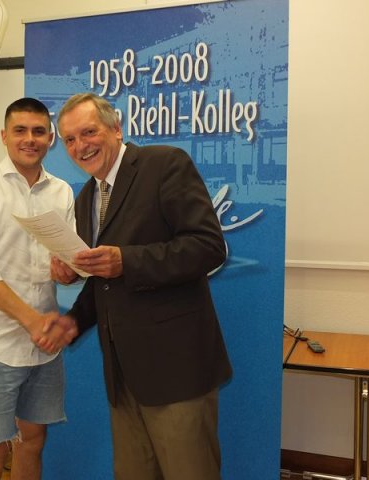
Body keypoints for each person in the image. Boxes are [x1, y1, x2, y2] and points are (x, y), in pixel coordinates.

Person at [48, 93, 233, 480]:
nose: (81, 146)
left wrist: (126, 261)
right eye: (70, 139)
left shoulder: (164, 164)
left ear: (116, 129)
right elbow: (105, 284)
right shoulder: (86, 197)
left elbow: (208, 247)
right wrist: (74, 319)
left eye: (89, 132)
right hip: (123, 377)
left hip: (177, 374)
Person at [0, 97, 77, 480]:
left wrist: (68, 272)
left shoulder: (62, 192)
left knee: (33, 441)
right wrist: (32, 321)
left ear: (50, 138)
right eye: (20, 130)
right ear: (4, 136)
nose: (30, 139)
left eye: (39, 131)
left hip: (43, 347)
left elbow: (67, 264)